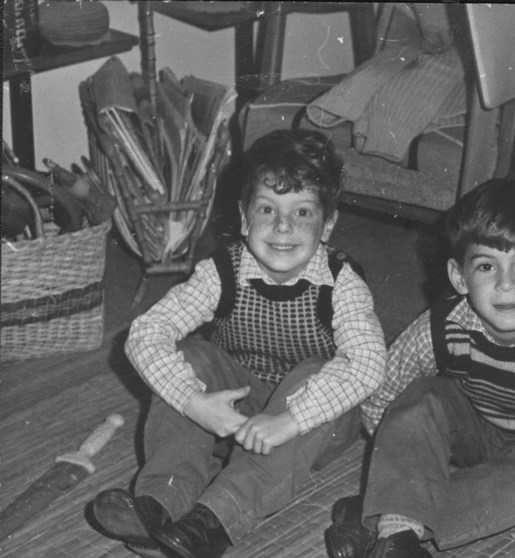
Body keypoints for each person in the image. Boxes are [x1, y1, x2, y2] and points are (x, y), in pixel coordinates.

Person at [92, 129, 386, 558]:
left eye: (303, 212)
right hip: (233, 415)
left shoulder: (342, 283)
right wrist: (194, 402)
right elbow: (146, 332)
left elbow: (368, 363)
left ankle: (213, 521)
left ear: (328, 226)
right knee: (190, 355)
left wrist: (289, 420)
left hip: (313, 427)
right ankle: (159, 503)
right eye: (267, 209)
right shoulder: (221, 270)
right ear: (245, 219)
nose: (283, 226)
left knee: (317, 372)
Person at [325, 179, 515, 558]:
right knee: (421, 397)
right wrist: (401, 456)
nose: (506, 284)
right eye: (486, 266)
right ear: (459, 277)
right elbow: (384, 394)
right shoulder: (441, 324)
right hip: (470, 431)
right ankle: (398, 526)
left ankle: (379, 519)